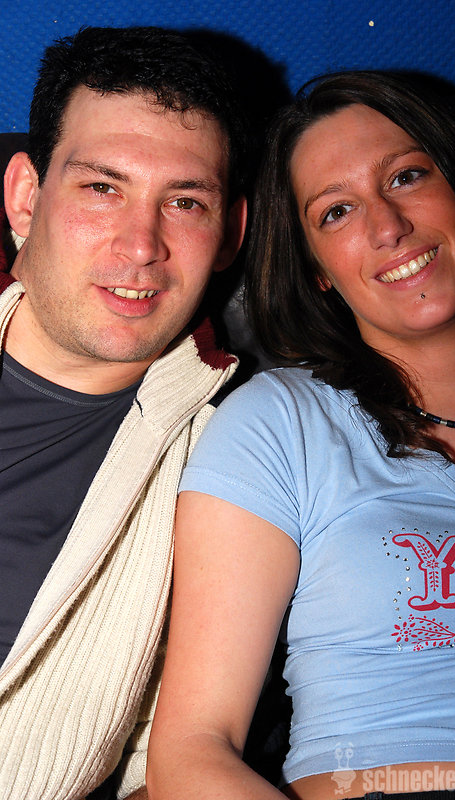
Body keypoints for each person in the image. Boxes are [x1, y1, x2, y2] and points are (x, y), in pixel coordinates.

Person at [146, 71, 455, 800]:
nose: (387, 226)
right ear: (318, 271)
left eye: (407, 176)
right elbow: (192, 752)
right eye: (337, 212)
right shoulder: (282, 424)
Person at [0, 25, 247, 800]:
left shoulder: (237, 457)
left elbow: (167, 764)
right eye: (102, 188)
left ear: (230, 233)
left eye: (185, 202)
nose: (142, 245)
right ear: (26, 198)